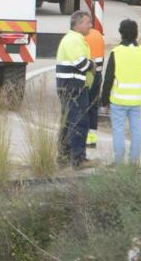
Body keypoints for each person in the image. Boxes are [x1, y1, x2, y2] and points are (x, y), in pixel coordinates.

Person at [100, 19, 141, 165]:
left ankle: (118, 163)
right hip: (139, 100)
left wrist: (104, 100)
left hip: (119, 100)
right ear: (136, 33)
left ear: (121, 33)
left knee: (118, 132)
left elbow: (108, 78)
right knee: (136, 132)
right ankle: (134, 163)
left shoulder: (117, 52)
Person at [55, 11, 93, 167]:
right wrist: (92, 65)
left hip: (68, 86)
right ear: (78, 25)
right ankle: (78, 158)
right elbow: (81, 64)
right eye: (87, 22)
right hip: (73, 87)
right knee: (79, 122)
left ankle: (64, 154)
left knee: (68, 122)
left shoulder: (72, 39)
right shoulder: (74, 40)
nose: (90, 25)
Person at [84, 26, 105, 148]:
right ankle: (92, 138)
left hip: (87, 76)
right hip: (97, 75)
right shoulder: (98, 35)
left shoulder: (81, 37)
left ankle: (85, 137)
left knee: (84, 106)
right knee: (93, 107)